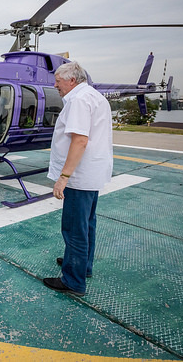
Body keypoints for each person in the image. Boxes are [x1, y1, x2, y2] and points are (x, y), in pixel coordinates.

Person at [43, 61, 113, 297]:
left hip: (79, 176)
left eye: (58, 81)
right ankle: (83, 265)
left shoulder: (78, 100)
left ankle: (73, 281)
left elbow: (80, 140)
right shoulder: (93, 96)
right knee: (86, 224)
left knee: (74, 228)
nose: (56, 86)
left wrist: (63, 177)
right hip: (91, 174)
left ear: (71, 80)